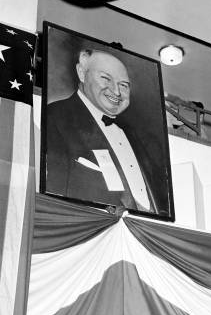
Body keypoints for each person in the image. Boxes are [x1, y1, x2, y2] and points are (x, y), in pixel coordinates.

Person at [45, 48, 169, 216]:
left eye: (123, 85)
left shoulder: (138, 136)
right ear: (82, 73)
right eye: (105, 78)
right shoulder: (55, 117)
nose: (117, 92)